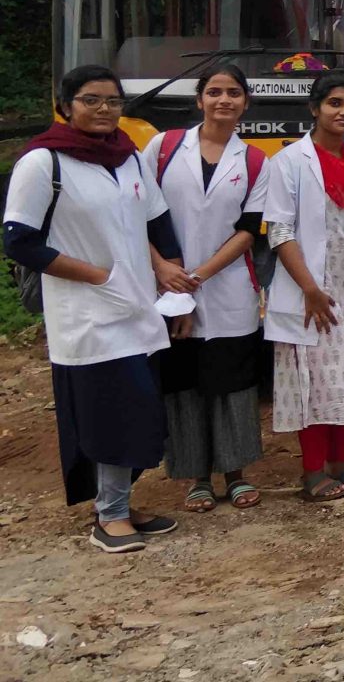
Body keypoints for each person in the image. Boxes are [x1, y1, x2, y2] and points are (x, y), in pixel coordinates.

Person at [4, 65, 185, 552]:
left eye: (113, 101)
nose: (105, 110)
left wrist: (171, 274)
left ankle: (121, 501)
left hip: (138, 309)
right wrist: (98, 276)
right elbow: (20, 242)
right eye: (91, 100)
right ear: (66, 106)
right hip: (86, 313)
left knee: (141, 410)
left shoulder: (128, 158)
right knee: (111, 413)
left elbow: (157, 221)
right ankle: (110, 517)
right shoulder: (44, 162)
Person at [140, 65, 270, 512]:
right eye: (214, 92)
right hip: (168, 283)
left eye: (233, 92)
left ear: (245, 102)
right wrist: (163, 270)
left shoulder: (254, 160)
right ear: (199, 100)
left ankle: (235, 473)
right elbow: (140, 215)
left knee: (232, 380)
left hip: (228, 286)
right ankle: (197, 477)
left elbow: (248, 230)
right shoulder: (163, 147)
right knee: (185, 381)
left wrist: (196, 278)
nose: (224, 100)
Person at [266, 74, 344, 504]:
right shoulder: (289, 161)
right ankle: (312, 472)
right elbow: (280, 231)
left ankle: (341, 467)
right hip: (312, 293)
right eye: (335, 103)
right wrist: (310, 289)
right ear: (314, 108)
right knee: (313, 383)